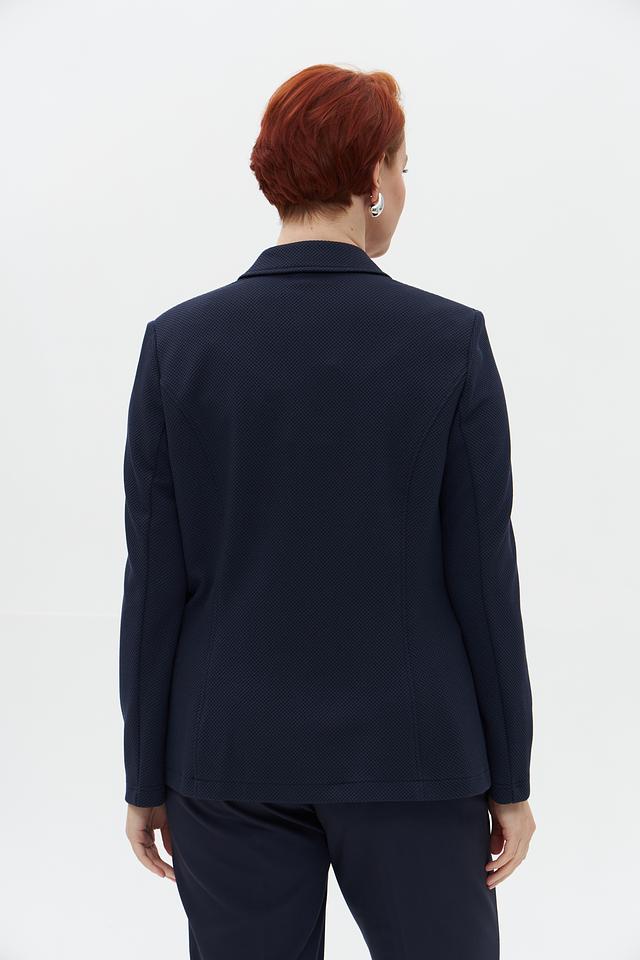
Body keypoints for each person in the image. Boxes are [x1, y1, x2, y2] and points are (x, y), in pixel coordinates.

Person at [119, 63, 536, 959]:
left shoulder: (178, 346)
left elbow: (154, 583)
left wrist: (144, 772)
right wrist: (510, 775)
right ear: (373, 176)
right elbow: (483, 577)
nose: (402, 188)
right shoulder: (448, 342)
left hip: (226, 755)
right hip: (416, 754)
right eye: (404, 167)